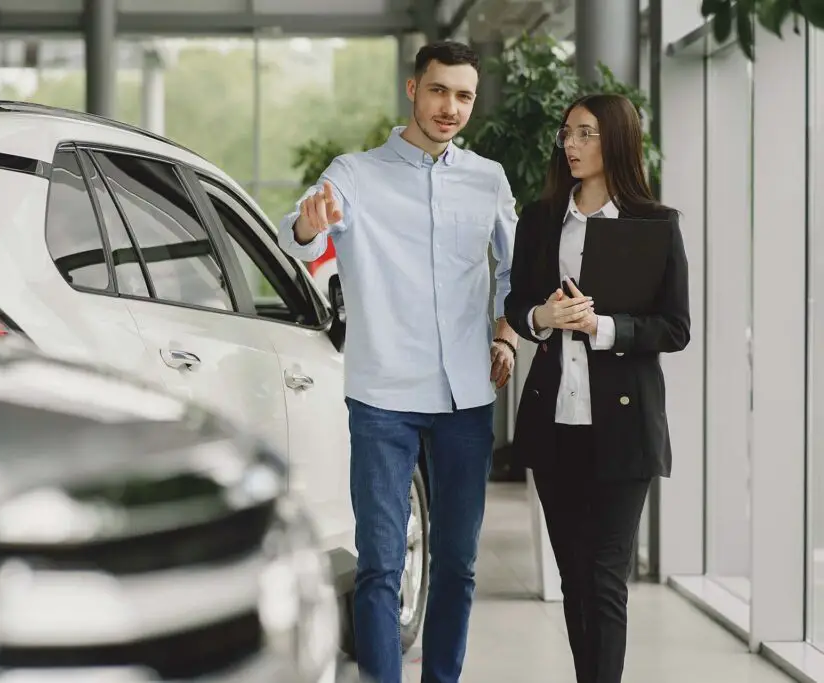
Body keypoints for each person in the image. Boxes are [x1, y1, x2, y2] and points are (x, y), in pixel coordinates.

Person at [278, 40, 518, 683]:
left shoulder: (487, 179)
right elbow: (292, 236)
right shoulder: (354, 173)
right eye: (439, 91)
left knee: (459, 565)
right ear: (413, 90)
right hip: (384, 395)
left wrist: (507, 333)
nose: (451, 107)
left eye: (464, 96)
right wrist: (310, 223)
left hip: (467, 398)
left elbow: (515, 275)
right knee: (381, 563)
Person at [503, 93, 690, 683]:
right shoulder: (540, 219)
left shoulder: (656, 224)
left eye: (585, 133)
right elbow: (516, 304)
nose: (572, 145)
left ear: (617, 139)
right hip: (555, 421)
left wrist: (602, 327)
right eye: (567, 134)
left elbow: (675, 328)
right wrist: (543, 319)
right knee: (575, 576)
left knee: (606, 579)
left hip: (625, 425)